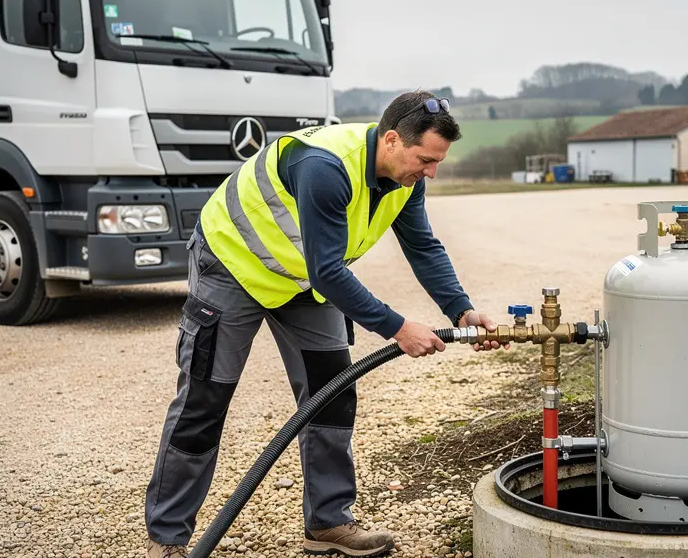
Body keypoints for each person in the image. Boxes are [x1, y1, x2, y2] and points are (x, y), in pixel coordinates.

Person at [144, 90, 509, 558]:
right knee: (205, 400)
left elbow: (422, 247)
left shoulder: (406, 181)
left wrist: (461, 310)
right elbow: (329, 272)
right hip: (233, 265)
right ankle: (167, 539)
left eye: (437, 163)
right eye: (425, 160)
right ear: (392, 140)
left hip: (300, 278)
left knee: (332, 391)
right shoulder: (325, 167)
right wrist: (398, 327)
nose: (431, 173)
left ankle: (328, 522)